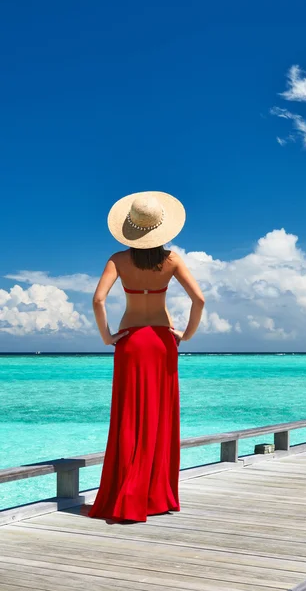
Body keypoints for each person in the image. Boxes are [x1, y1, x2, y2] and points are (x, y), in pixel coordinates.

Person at [88, 191, 205, 522]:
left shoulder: (118, 260)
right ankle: (156, 495)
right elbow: (199, 300)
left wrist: (107, 336)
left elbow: (98, 300)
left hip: (129, 342)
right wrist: (187, 334)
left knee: (129, 416)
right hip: (162, 342)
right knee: (159, 417)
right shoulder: (172, 260)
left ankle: (127, 492)